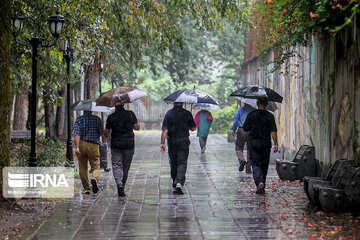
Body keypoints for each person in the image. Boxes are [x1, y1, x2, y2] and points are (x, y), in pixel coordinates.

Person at [243, 98, 278, 194]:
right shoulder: (270, 116)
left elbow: (245, 128)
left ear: (257, 103)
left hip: (254, 143)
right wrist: (276, 144)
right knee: (264, 164)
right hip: (266, 143)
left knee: (255, 163)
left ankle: (259, 182)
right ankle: (262, 182)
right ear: (266, 104)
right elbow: (273, 131)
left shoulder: (251, 114)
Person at [104, 104, 140, 197]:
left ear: (115, 106)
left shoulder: (111, 117)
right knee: (125, 167)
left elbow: (106, 132)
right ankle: (122, 185)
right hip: (129, 144)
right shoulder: (130, 114)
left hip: (116, 144)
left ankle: (119, 184)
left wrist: (107, 134)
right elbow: (137, 127)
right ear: (124, 104)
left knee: (116, 165)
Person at [160, 102, 196, 194]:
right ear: (182, 103)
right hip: (184, 141)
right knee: (182, 162)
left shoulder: (169, 113)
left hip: (172, 141)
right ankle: (179, 182)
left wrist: (162, 143)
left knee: (174, 162)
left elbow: (165, 129)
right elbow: (193, 128)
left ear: (174, 103)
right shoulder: (187, 113)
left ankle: (175, 183)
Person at [73, 111, 104, 195]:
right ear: (91, 110)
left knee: (82, 167)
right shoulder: (97, 119)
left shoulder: (79, 119)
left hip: (82, 144)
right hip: (93, 145)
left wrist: (77, 148)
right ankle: (94, 178)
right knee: (96, 165)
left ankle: (86, 188)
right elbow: (101, 133)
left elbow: (77, 134)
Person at [231, 103, 256, 173]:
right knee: (250, 149)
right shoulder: (254, 110)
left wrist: (233, 129)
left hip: (241, 130)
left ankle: (241, 160)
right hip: (251, 131)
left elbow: (235, 120)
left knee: (239, 148)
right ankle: (248, 168)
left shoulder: (240, 110)